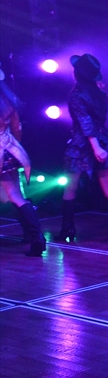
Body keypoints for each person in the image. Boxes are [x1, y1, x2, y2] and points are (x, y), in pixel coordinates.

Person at [55, 54, 108, 244]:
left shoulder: (76, 96)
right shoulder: (101, 94)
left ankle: (67, 229)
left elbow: (85, 122)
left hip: (82, 145)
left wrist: (95, 147)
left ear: (77, 74)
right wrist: (99, 146)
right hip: (103, 140)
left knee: (70, 188)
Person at [0, 65, 46, 257]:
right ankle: (34, 236)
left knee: (15, 196)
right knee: (16, 196)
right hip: (9, 150)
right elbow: (17, 129)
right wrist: (12, 146)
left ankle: (36, 237)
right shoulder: (7, 101)